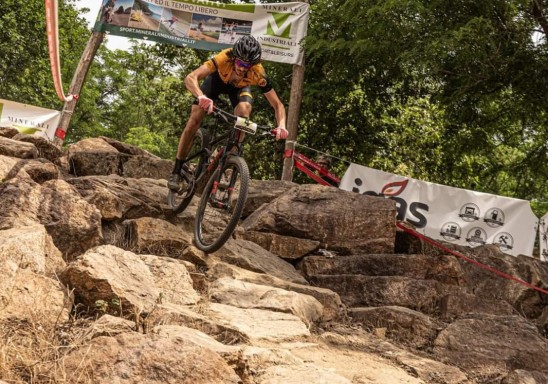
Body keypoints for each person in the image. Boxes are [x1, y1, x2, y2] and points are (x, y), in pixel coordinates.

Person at [168, 35, 288, 191]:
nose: (242, 68)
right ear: (234, 57)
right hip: (216, 83)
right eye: (240, 63)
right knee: (194, 121)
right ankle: (177, 169)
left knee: (244, 112)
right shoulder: (223, 57)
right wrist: (201, 96)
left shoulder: (258, 72)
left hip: (239, 90)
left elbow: (277, 104)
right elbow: (191, 78)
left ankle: (229, 157)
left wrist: (282, 126)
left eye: (248, 65)